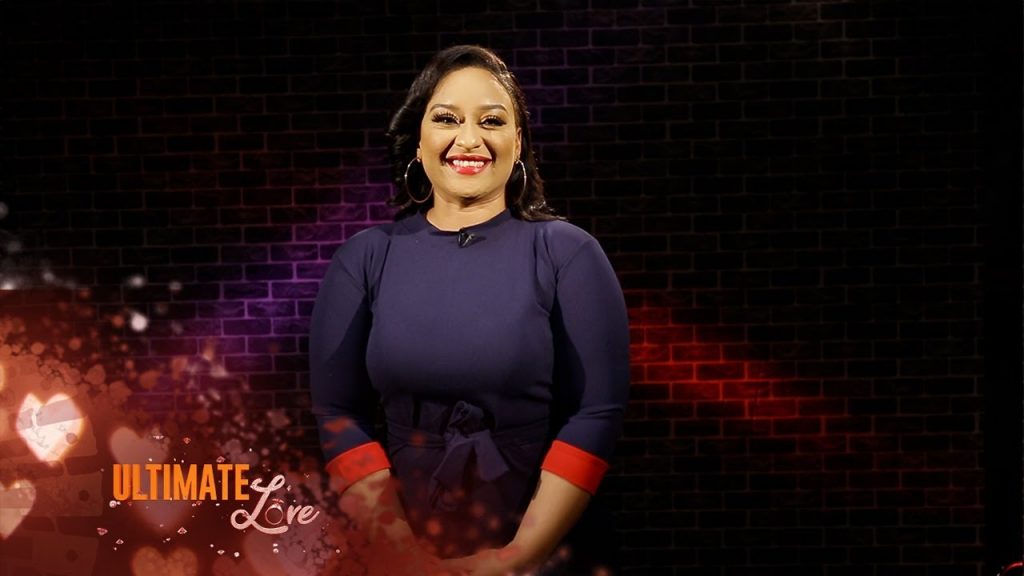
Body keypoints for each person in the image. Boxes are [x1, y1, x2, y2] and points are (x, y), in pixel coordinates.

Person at [309, 45, 630, 576]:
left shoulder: (567, 253)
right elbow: (338, 415)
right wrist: (402, 552)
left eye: (492, 121)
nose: (469, 139)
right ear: (419, 140)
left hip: (542, 551)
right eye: (447, 119)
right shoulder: (365, 258)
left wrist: (516, 558)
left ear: (517, 142)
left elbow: (597, 413)